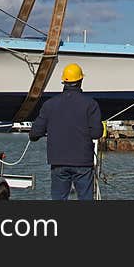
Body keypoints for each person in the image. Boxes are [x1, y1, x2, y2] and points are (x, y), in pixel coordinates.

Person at [29, 62, 104, 200]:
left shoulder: (50, 104)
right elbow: (96, 133)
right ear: (80, 81)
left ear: (64, 82)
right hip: (83, 162)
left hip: (58, 161)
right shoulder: (91, 104)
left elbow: (34, 134)